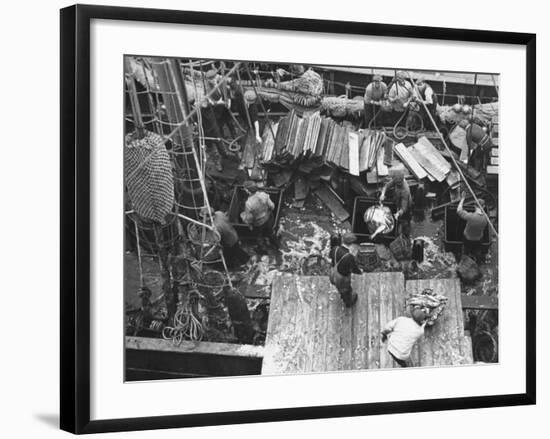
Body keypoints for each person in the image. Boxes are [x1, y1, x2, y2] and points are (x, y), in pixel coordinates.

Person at [240, 181, 278, 249]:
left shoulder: (249, 204)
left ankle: (262, 249)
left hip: (258, 224)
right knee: (270, 233)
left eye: (245, 189)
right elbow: (272, 206)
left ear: (248, 191)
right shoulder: (263, 195)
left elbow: (249, 219)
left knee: (258, 237)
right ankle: (276, 245)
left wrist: (246, 221)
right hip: (268, 219)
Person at [329, 232, 362, 308]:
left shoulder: (335, 249)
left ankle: (342, 295)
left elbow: (331, 257)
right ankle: (348, 302)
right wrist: (360, 271)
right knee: (346, 291)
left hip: (333, 274)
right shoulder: (349, 257)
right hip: (341, 279)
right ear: (351, 244)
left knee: (340, 289)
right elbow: (354, 269)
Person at [379, 170, 413, 237]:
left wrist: (398, 213)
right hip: (397, 199)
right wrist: (382, 194)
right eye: (396, 182)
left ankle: (405, 234)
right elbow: (386, 186)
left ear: (401, 181)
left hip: (406, 206)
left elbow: (404, 208)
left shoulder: (405, 190)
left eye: (398, 183)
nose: (397, 184)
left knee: (404, 222)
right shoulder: (395, 180)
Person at [205, 69, 237, 139]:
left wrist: (229, 101)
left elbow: (227, 91)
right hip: (217, 110)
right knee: (220, 125)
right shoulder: (207, 88)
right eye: (211, 79)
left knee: (230, 122)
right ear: (208, 80)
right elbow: (210, 101)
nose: (213, 80)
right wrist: (218, 102)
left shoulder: (221, 82)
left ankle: (234, 136)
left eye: (214, 78)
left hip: (225, 107)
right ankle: (223, 139)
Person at [457, 193, 488, 262]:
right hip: (479, 239)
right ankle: (476, 258)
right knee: (476, 251)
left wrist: (462, 199)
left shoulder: (470, 217)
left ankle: (465, 258)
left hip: (467, 239)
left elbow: (459, 210)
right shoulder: (486, 218)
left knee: (466, 250)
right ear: (483, 206)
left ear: (474, 206)